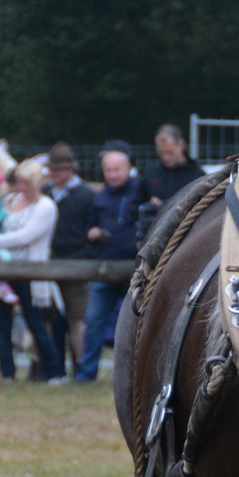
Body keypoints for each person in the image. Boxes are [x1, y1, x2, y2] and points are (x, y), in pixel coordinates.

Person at [0, 160, 66, 384]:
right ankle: (7, 373)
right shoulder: (9, 200)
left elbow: (26, 236)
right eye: (20, 182)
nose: (23, 187)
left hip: (30, 273)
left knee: (36, 324)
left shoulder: (46, 207)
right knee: (2, 323)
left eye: (28, 183)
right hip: (3, 272)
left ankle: (54, 372)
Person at [74, 142, 140, 382]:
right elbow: (89, 227)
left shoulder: (140, 193)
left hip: (135, 271)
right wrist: (93, 233)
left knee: (135, 323)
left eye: (116, 169)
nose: (112, 175)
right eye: (108, 170)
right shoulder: (99, 197)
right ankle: (86, 374)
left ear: (128, 169)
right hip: (104, 270)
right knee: (93, 321)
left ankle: (133, 375)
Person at [45, 143, 95, 373]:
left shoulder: (86, 195)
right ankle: (52, 367)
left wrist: (82, 256)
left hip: (77, 264)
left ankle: (81, 367)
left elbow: (91, 228)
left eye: (59, 169)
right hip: (47, 264)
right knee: (51, 318)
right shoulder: (45, 193)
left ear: (70, 169)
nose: (54, 174)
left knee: (77, 319)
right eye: (52, 169)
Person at [140, 124, 205, 241]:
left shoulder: (197, 175)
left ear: (181, 145)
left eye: (170, 152)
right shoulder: (151, 174)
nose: (166, 157)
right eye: (162, 153)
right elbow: (136, 204)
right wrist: (149, 204)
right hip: (155, 236)